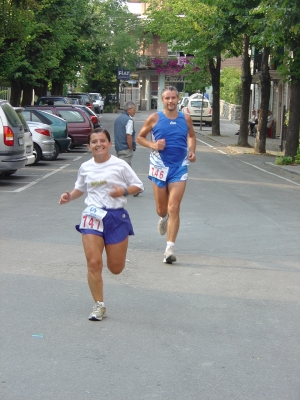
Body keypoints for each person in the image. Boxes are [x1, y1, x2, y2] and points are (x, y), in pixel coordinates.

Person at [58, 128, 144, 321]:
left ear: (109, 144)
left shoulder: (120, 165)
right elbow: (80, 189)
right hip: (92, 215)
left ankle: (111, 269)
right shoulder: (85, 167)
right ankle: (99, 305)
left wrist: (122, 191)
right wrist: (69, 197)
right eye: (94, 142)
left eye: (102, 141)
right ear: (89, 146)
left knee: (116, 268)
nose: (99, 144)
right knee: (94, 262)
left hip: (116, 217)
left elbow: (138, 185)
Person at [136, 86, 196, 264]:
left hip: (179, 167)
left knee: (174, 207)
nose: (170, 101)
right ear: (162, 100)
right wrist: (153, 145)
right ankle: (163, 218)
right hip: (159, 167)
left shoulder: (185, 118)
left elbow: (191, 136)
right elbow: (140, 137)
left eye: (173, 98)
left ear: (178, 99)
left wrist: (191, 150)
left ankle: (169, 249)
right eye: (167, 98)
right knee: (162, 209)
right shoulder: (155, 118)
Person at [114, 101, 137, 166]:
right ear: (129, 110)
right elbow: (129, 136)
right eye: (134, 109)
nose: (135, 111)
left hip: (118, 148)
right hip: (125, 149)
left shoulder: (118, 119)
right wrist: (131, 148)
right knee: (125, 170)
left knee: (122, 168)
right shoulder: (129, 120)